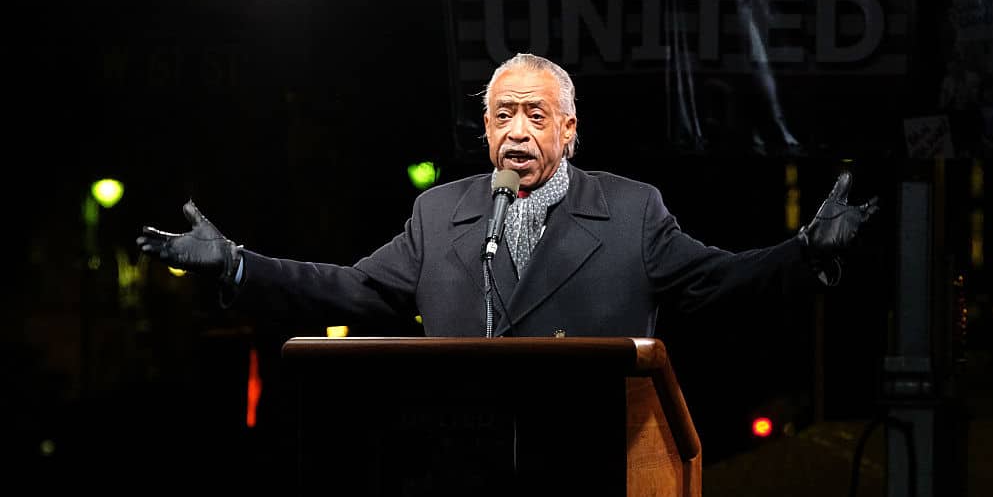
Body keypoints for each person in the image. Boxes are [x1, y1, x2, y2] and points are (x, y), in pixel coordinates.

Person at [137, 53, 879, 338]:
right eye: (502, 115)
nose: (517, 130)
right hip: (466, 463)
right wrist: (238, 265)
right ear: (486, 130)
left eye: (535, 115)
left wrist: (804, 251)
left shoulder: (631, 211)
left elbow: (720, 281)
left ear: (569, 130)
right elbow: (350, 290)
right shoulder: (439, 214)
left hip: (588, 464)